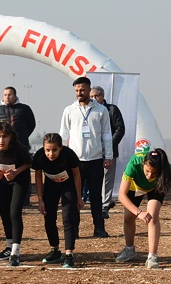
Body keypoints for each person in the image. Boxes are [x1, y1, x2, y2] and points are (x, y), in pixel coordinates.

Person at [60, 76, 113, 238]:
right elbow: (63, 134)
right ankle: (74, 229)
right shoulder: (69, 110)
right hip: (75, 161)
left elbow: (106, 134)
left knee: (96, 196)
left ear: (89, 90)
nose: (79, 93)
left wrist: (108, 155)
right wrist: (62, 158)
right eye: (77, 90)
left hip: (95, 159)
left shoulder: (101, 110)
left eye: (82, 90)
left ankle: (99, 228)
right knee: (74, 196)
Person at [117, 147, 171, 269]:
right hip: (134, 187)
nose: (149, 175)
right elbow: (121, 195)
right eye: (147, 171)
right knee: (128, 217)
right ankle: (129, 249)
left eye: (154, 173)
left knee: (152, 216)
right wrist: (138, 212)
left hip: (155, 187)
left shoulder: (168, 170)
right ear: (143, 164)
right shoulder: (133, 164)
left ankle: (152, 256)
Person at [32, 132, 82, 268]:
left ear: (60, 148)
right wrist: (40, 199)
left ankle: (69, 254)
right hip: (51, 185)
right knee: (48, 216)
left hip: (68, 185)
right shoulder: (39, 156)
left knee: (68, 217)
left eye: (54, 150)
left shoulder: (69, 155)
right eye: (47, 150)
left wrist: (79, 197)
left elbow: (77, 174)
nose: (50, 154)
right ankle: (55, 250)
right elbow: (38, 177)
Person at [0, 121, 31, 266]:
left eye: (4, 136)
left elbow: (28, 163)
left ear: (10, 137)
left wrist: (16, 172)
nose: (1, 140)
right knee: (4, 212)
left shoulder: (19, 148)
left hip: (19, 180)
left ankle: (15, 252)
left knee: (14, 213)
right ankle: (9, 246)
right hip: (3, 181)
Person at [94, 85, 125, 211]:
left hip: (109, 151)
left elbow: (120, 129)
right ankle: (103, 200)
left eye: (96, 96)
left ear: (103, 96)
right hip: (93, 151)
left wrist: (109, 145)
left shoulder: (112, 109)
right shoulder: (90, 111)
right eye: (91, 96)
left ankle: (105, 205)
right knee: (96, 178)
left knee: (107, 178)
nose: (94, 98)